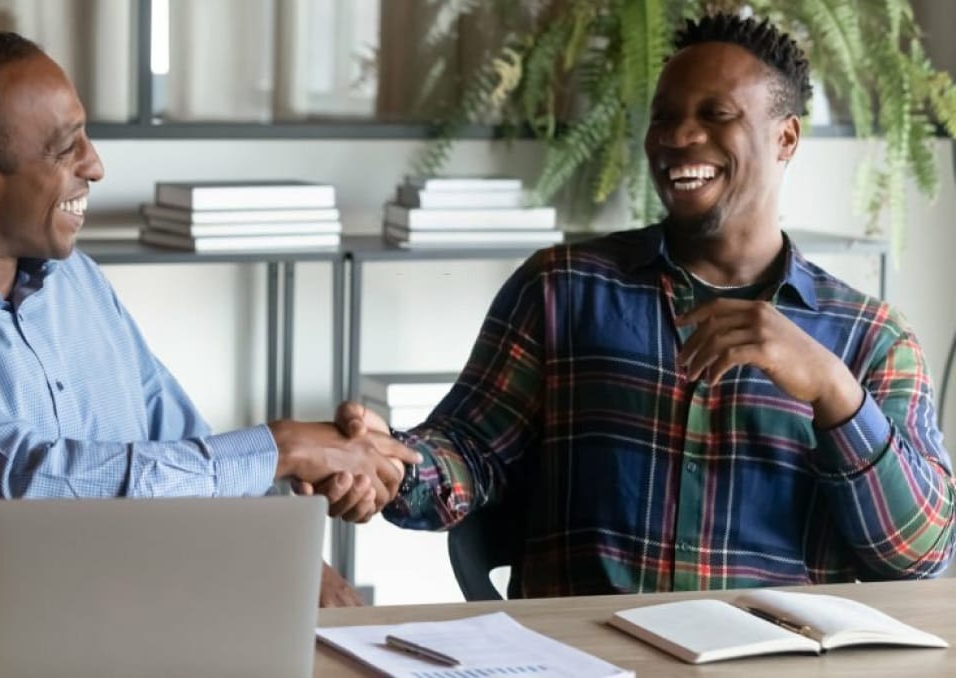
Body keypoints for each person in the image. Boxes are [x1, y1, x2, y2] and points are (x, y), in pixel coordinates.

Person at [0, 31, 417, 624]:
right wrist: (281, 447)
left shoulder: (75, 282)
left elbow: (176, 443)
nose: (95, 166)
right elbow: (27, 485)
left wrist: (298, 561)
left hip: (142, 632)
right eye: (66, 148)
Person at [340, 13, 955, 596]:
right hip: (585, 657)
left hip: (773, 661)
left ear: (786, 138)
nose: (680, 137)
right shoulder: (563, 289)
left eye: (715, 115)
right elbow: (468, 453)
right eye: (664, 117)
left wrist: (834, 392)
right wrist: (392, 464)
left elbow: (922, 556)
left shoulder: (870, 338)